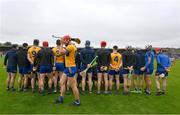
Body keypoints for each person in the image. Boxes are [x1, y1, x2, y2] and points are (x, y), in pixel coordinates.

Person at [55, 35, 80, 106]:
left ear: (68, 40)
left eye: (65, 40)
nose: (64, 41)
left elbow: (60, 53)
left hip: (70, 67)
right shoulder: (71, 46)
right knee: (61, 82)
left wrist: (61, 43)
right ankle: (61, 98)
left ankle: (77, 101)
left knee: (73, 86)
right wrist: (63, 42)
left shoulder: (70, 46)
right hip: (67, 67)